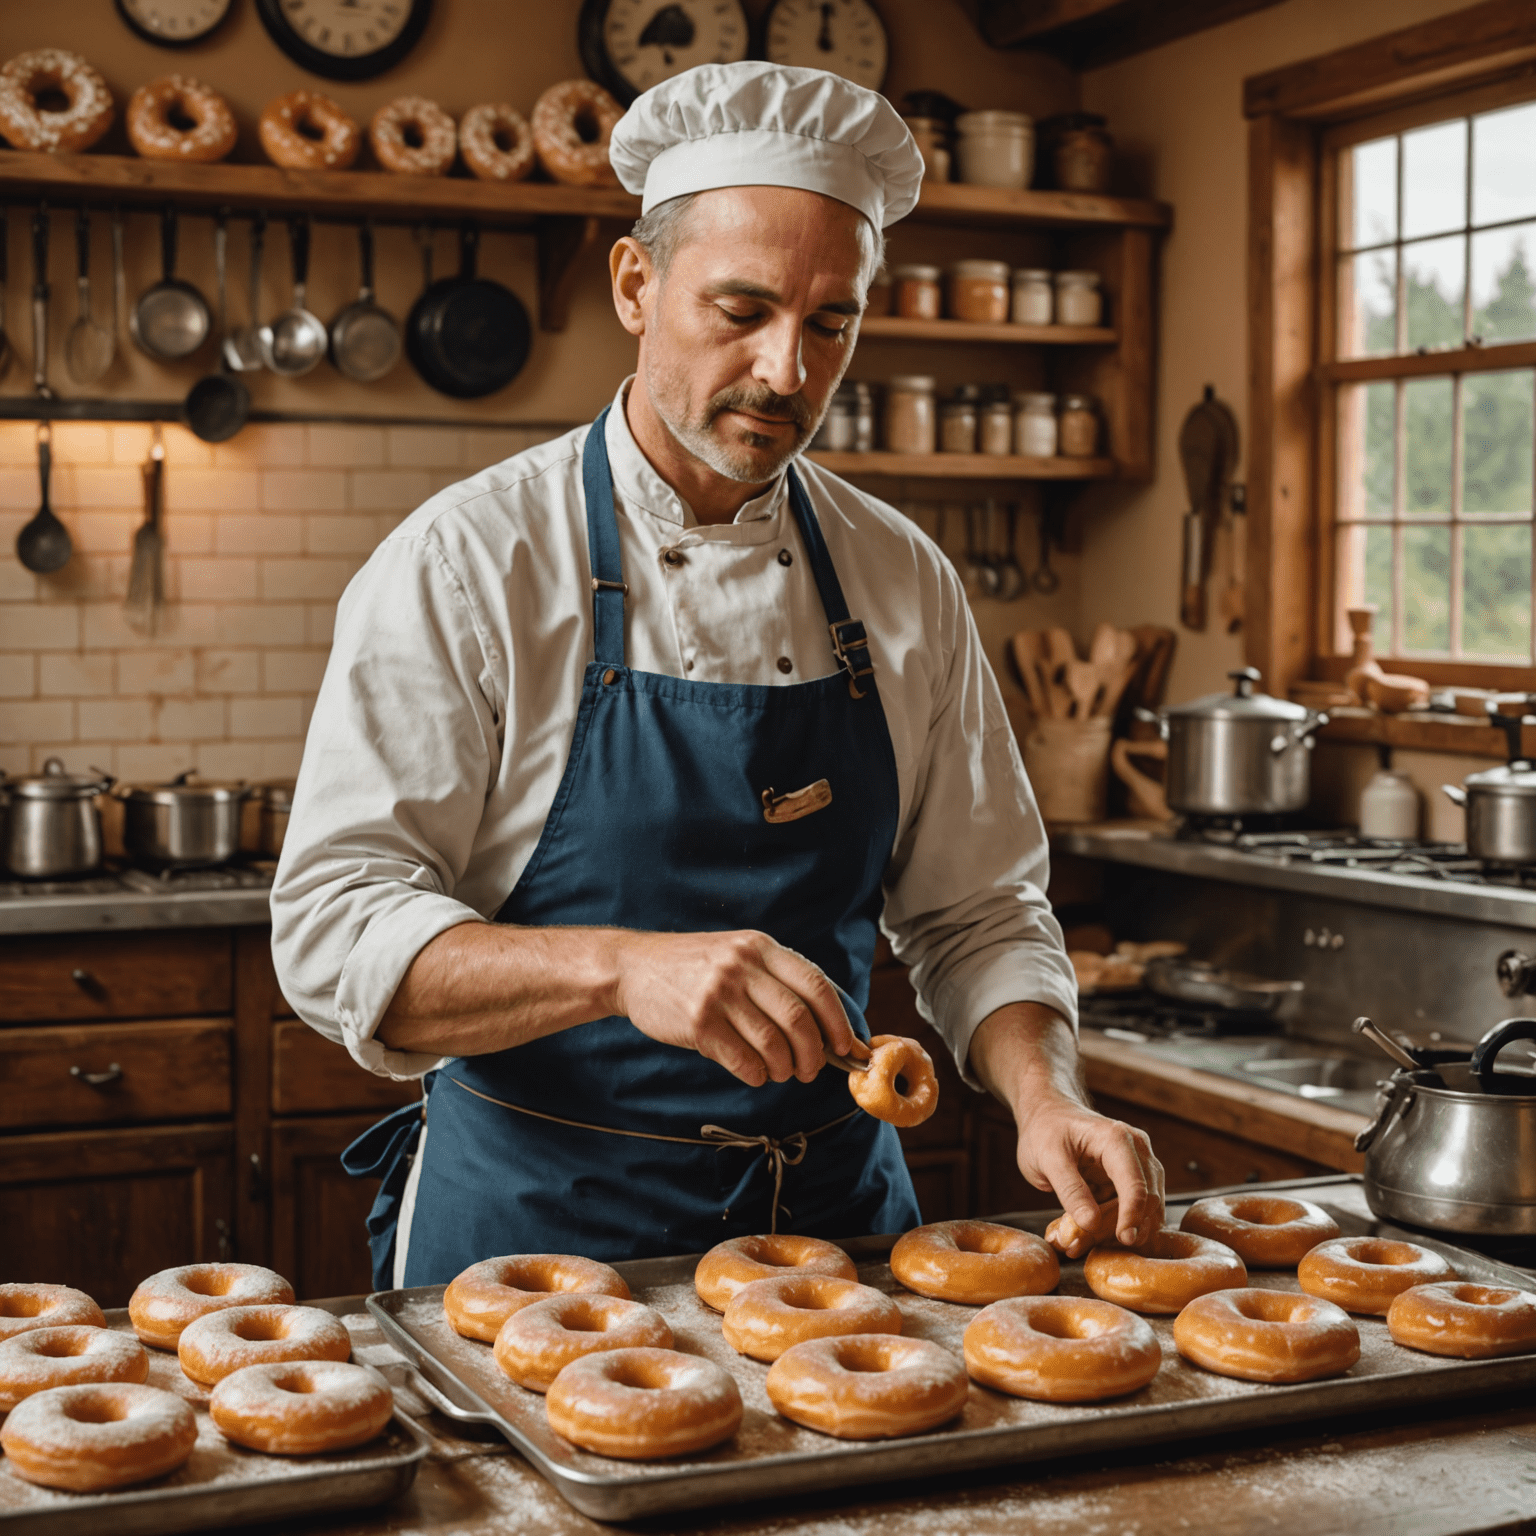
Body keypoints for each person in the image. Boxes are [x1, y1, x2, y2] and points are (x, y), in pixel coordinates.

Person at [270, 61, 1164, 1289]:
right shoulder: (469, 562)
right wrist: (624, 966)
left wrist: (1044, 1093)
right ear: (638, 286)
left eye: (831, 323)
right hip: (534, 1251)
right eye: (741, 310)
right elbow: (332, 933)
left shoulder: (900, 579)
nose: (790, 372)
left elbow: (979, 911)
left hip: (839, 1250)